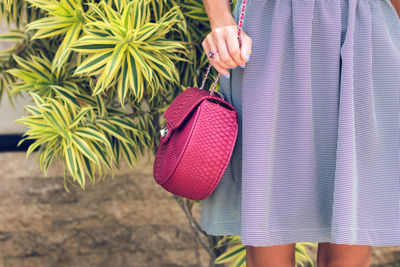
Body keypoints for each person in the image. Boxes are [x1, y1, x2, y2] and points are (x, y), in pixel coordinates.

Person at [200, 0, 400, 266]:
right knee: (267, 235)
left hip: (364, 28)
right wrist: (220, 19)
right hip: (270, 31)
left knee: (350, 233)